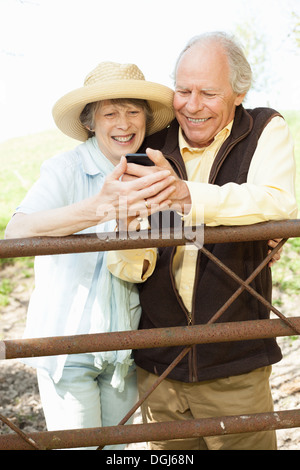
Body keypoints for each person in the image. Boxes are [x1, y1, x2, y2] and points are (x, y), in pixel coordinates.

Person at [107, 32, 298, 450]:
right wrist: (136, 235)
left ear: (240, 91)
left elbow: (278, 201)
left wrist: (187, 197)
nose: (192, 106)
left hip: (236, 367)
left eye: (208, 92)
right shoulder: (149, 145)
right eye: (182, 90)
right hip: (159, 369)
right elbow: (127, 256)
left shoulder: (265, 127)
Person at [4, 61, 175, 450]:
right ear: (90, 122)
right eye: (110, 113)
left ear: (146, 121)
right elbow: (17, 231)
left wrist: (257, 239)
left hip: (125, 348)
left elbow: (185, 231)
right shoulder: (65, 169)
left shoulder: (149, 173)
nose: (124, 123)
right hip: (69, 348)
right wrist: (99, 208)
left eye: (133, 112)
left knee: (120, 454)